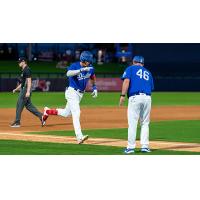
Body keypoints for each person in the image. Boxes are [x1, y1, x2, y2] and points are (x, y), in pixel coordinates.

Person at [43, 51, 98, 144]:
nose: (90, 62)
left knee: (66, 113)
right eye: (88, 61)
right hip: (72, 92)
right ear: (83, 60)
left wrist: (95, 88)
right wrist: (80, 70)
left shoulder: (90, 68)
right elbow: (68, 73)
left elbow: (92, 76)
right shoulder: (75, 66)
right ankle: (79, 137)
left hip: (80, 94)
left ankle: (47, 111)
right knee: (76, 113)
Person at [119, 56, 154, 153]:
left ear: (134, 62)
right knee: (145, 123)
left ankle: (130, 147)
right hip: (147, 98)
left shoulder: (130, 68)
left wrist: (122, 95)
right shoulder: (148, 72)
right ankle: (145, 146)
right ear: (142, 63)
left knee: (132, 123)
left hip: (135, 97)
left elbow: (126, 81)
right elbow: (150, 87)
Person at [10, 57, 45, 128]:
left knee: (19, 104)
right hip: (24, 89)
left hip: (25, 90)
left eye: (20, 62)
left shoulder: (27, 70)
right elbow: (23, 83)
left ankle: (17, 122)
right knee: (29, 106)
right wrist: (16, 89)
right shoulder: (23, 70)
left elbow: (29, 81)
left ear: (24, 62)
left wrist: (28, 91)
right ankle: (42, 116)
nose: (18, 63)